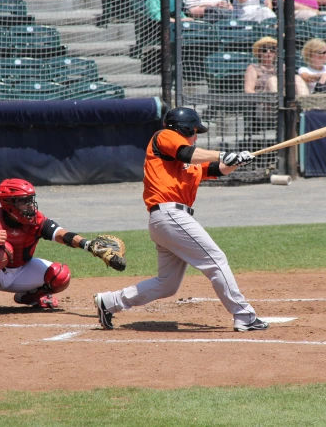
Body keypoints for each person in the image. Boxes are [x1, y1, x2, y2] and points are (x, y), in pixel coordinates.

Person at [93, 107, 268, 333]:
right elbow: (186, 152)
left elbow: (217, 168)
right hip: (169, 215)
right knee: (216, 261)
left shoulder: (190, 159)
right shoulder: (164, 136)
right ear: (184, 128)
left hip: (169, 220)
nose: (196, 136)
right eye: (194, 131)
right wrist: (223, 153)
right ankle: (244, 316)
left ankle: (110, 302)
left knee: (167, 284)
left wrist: (238, 160)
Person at [0, 178, 124, 319]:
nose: (30, 206)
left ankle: (28, 296)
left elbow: (63, 234)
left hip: (19, 271)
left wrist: (89, 245)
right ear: (9, 204)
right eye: (24, 202)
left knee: (60, 275)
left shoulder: (36, 220)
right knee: (2, 249)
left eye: (31, 201)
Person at [244, 36, 309, 95]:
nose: (268, 52)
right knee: (272, 80)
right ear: (259, 53)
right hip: (264, 101)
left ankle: (307, 106)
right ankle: (278, 106)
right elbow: (248, 90)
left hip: (284, 98)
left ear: (275, 52)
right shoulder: (253, 68)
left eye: (272, 49)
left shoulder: (282, 67)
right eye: (264, 50)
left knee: (297, 78)